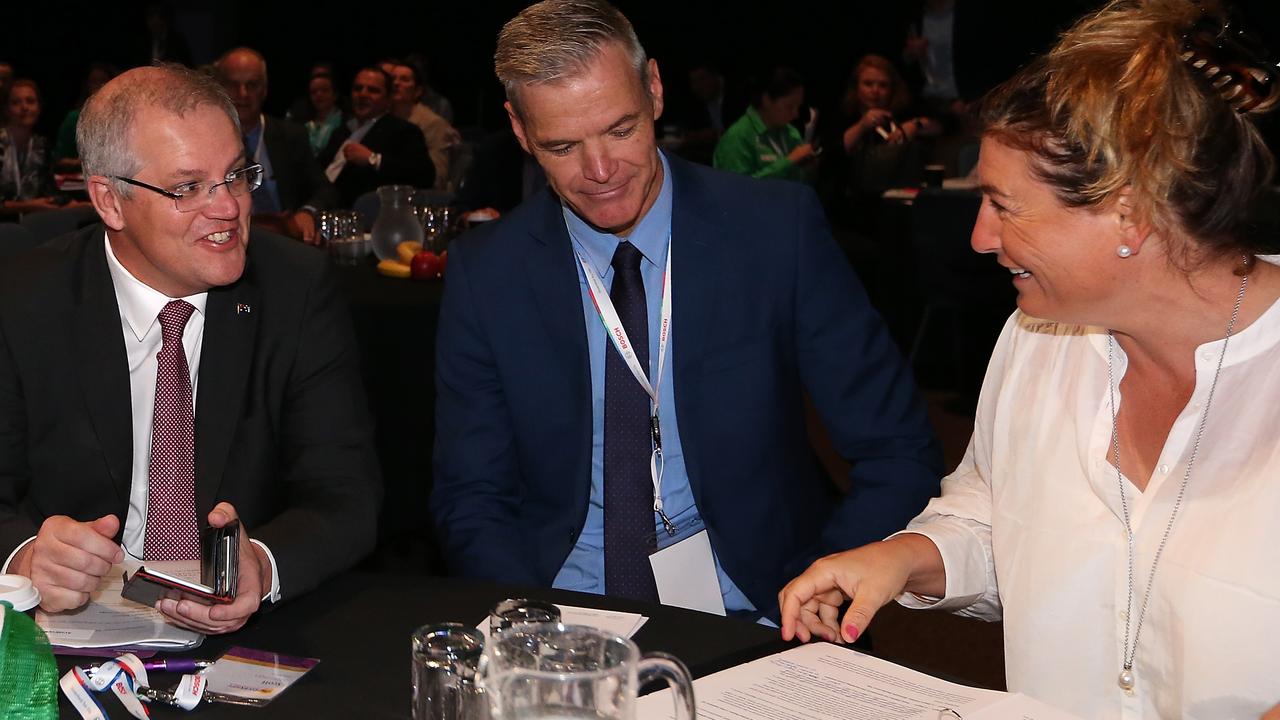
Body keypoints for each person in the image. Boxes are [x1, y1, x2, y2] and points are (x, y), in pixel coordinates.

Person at [779, 0, 1280, 716]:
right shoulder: (1037, 340)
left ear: (1130, 214)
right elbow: (995, 512)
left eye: (1004, 206)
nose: (980, 237)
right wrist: (905, 556)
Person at [432, 0, 941, 619]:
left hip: (757, 607)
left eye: (621, 130)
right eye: (562, 146)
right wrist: (529, 624)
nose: (600, 172)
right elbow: (471, 494)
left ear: (654, 89)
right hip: (557, 611)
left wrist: (828, 577)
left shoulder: (777, 233)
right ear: (518, 131)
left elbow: (898, 448)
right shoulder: (488, 271)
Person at [0, 63, 380, 634]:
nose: (227, 207)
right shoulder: (23, 299)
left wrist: (264, 564)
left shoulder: (295, 289)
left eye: (235, 175)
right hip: (62, 638)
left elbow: (346, 493)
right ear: (110, 201)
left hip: (249, 638)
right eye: (188, 187)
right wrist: (25, 558)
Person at [214, 48, 336, 245]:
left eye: (252, 85)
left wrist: (307, 212)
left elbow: (325, 190)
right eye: (233, 84)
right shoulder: (204, 140)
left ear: (264, 90)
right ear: (218, 87)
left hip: (285, 241)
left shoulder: (291, 135)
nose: (242, 93)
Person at [319, 67, 433, 207]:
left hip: (361, 214)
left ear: (388, 99)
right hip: (319, 207)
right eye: (358, 88)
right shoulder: (342, 131)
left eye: (373, 90)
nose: (363, 94)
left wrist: (373, 159)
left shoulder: (403, 131)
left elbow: (425, 175)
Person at [712, 67, 818, 183]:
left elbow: (800, 184)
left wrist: (809, 169)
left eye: (798, 107)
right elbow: (740, 189)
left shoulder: (791, 133)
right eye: (789, 107)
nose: (795, 114)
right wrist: (790, 161)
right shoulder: (737, 138)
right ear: (766, 100)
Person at [389, 60, 462, 191]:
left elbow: (437, 177)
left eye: (404, 79)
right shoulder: (382, 119)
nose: (396, 83)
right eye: (392, 79)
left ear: (417, 91)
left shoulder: (434, 124)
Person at [0, 79, 60, 215]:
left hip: (33, 222)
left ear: (39, 108)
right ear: (6, 109)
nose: (24, 107)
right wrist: (28, 206)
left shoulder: (42, 145)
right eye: (16, 102)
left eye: (30, 101)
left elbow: (49, 192)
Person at [53, 63, 118, 172]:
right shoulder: (74, 118)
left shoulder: (121, 118)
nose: (98, 86)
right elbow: (60, 159)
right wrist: (81, 162)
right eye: (94, 81)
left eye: (103, 81)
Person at [304, 72, 343, 157]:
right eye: (314, 92)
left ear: (335, 94)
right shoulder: (305, 123)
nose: (319, 95)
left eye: (325, 90)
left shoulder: (345, 122)